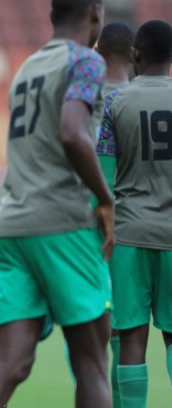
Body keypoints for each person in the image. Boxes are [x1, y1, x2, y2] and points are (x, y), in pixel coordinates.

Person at [0, 0, 114, 408]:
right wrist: (105, 199)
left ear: (51, 17)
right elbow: (71, 132)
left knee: (9, 364)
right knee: (90, 362)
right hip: (62, 222)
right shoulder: (86, 61)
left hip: (11, 227)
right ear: (96, 15)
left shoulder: (26, 68)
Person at [97, 19, 172, 408]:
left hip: (129, 235)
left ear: (136, 54)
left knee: (131, 338)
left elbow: (104, 183)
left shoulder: (115, 102)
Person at [95, 20, 134, 406]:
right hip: (135, 226)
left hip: (84, 226)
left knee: (88, 332)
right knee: (127, 330)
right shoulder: (138, 99)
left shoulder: (81, 96)